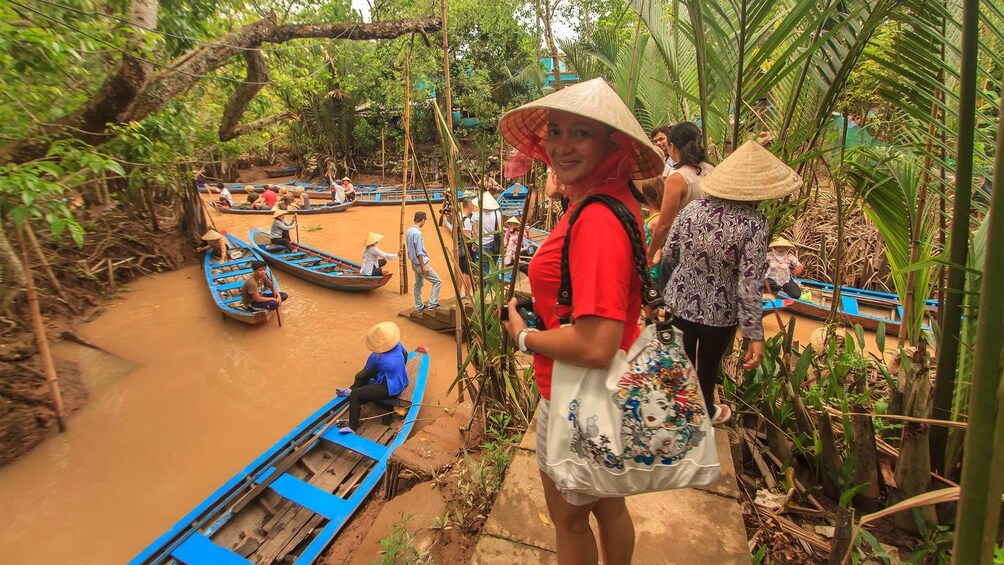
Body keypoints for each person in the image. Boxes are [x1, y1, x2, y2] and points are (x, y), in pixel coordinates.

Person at [498, 77, 665, 565]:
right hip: (606, 392)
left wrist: (526, 335)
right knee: (609, 508)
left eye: (581, 133)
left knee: (570, 522)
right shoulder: (609, 200)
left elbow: (596, 343)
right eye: (555, 131)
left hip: (579, 391)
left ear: (614, 145)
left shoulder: (596, 218)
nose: (562, 146)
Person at [662, 140, 801, 426]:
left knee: (681, 364)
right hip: (719, 311)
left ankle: (680, 417)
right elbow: (748, 284)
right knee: (708, 367)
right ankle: (706, 412)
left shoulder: (691, 210)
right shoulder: (754, 224)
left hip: (679, 300)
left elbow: (670, 255)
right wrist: (754, 335)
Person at [646, 121, 714, 266]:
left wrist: (650, 253)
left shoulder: (677, 179)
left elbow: (664, 224)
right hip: (712, 244)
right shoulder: (712, 170)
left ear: (672, 146)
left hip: (684, 250)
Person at [334, 322, 412, 434]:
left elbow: (364, 374)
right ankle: (351, 391)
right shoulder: (398, 345)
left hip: (391, 389)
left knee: (356, 394)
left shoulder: (376, 356)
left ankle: (352, 427)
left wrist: (356, 384)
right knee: (371, 375)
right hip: (402, 380)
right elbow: (405, 355)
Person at [406, 211, 442, 311]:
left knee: (417, 284)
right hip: (420, 263)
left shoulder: (409, 231)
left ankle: (419, 306)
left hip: (414, 263)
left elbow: (411, 249)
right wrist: (423, 266)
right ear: (423, 220)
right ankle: (432, 305)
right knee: (437, 281)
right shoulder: (417, 233)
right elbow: (419, 252)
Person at [638, 176, 665, 282]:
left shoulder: (655, 221)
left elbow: (660, 246)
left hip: (653, 271)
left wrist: (652, 262)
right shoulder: (655, 216)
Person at [472, 191, 502, 275]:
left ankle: (485, 286)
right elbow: (500, 230)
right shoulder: (497, 214)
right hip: (494, 244)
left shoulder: (476, 215)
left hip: (482, 244)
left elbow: (475, 232)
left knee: (484, 269)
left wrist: (474, 243)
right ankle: (493, 285)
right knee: (494, 267)